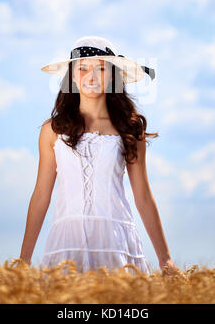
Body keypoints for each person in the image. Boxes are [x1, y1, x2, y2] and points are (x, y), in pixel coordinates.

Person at [20, 36, 180, 276]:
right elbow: (41, 194)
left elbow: (143, 196)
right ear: (72, 76)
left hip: (116, 242)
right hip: (67, 242)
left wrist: (165, 261)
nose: (91, 76)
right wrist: (24, 260)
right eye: (82, 68)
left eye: (101, 68)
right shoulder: (52, 130)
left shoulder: (129, 129)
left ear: (114, 76)